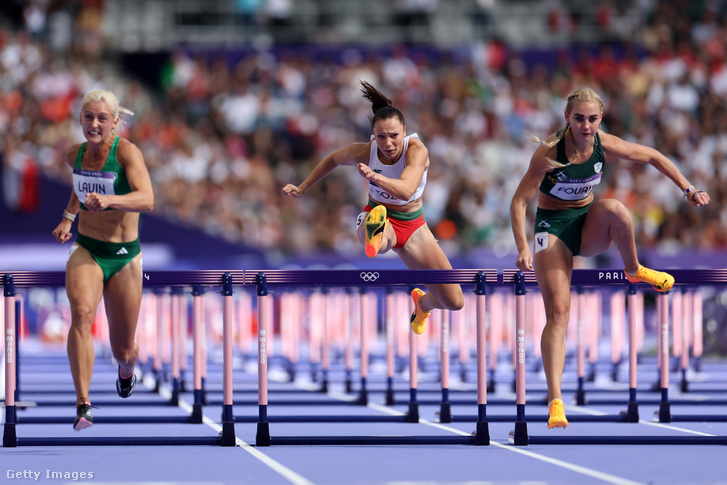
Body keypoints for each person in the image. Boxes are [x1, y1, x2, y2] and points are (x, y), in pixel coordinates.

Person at [510, 87, 710, 429]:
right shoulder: (548, 153)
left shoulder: (605, 144)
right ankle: (555, 400)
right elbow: (518, 202)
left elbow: (653, 156)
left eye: (592, 119)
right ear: (567, 119)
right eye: (579, 119)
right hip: (552, 229)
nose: (586, 126)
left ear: (600, 119)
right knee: (558, 312)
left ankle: (633, 270)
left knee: (617, 209)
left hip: (587, 225)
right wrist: (522, 248)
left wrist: (688, 189)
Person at [282, 80, 464, 334]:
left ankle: (423, 303)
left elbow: (407, 189)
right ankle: (370, 228)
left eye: (394, 136)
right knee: (379, 243)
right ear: (373, 135)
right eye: (381, 137)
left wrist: (374, 177)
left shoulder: (416, 151)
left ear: (404, 132)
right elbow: (333, 159)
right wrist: (303, 187)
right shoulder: (366, 151)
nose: (388, 143)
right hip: (382, 217)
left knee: (455, 301)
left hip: (414, 227)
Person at [51, 89, 154, 431]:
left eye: (102, 119)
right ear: (80, 119)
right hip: (88, 249)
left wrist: (109, 201)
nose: (94, 124)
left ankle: (126, 369)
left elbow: (147, 199)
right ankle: (84, 403)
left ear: (114, 123)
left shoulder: (127, 152)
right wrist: (68, 217)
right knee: (81, 313)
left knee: (123, 348)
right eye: (88, 117)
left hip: (124, 256)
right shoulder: (75, 154)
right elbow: (79, 186)